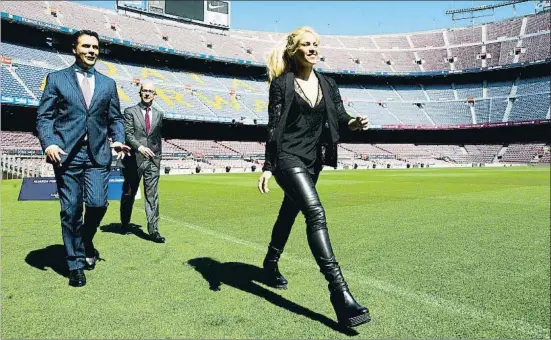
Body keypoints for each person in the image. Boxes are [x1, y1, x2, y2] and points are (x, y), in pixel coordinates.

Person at [257, 26, 371, 328]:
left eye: (316, 44)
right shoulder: (281, 85)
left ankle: (269, 264)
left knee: (288, 214)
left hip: (312, 162)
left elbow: (340, 116)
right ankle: (340, 295)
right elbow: (273, 128)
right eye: (306, 44)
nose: (312, 49)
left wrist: (355, 123)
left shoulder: (328, 83)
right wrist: (268, 166)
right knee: (316, 214)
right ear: (295, 50)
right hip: (287, 160)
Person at [36, 30, 130, 287]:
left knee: (99, 204)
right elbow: (44, 117)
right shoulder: (56, 79)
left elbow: (116, 118)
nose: (91, 51)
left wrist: (118, 139)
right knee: (70, 210)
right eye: (86, 46)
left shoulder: (108, 84)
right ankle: (75, 264)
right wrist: (50, 143)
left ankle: (86, 239)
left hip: (98, 155)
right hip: (67, 155)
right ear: (74, 50)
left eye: (95, 47)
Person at [119, 80, 165, 243]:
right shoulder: (130, 111)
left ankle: (154, 230)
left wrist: (157, 157)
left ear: (155, 94)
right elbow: (128, 134)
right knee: (129, 193)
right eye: (144, 90)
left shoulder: (159, 114)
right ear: (140, 93)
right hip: (134, 160)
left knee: (152, 195)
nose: (147, 93)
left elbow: (156, 138)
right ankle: (124, 223)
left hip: (152, 160)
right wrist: (140, 148)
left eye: (150, 91)